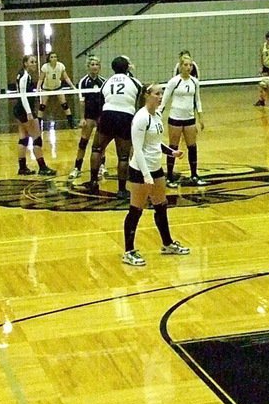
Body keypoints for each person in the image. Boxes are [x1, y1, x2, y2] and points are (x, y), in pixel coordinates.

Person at [120, 82, 190, 266]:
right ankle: (128, 251)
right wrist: (146, 175)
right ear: (147, 95)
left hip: (155, 168)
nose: (160, 97)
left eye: (161, 94)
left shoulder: (157, 115)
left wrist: (171, 152)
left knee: (161, 206)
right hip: (140, 171)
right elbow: (138, 148)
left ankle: (167, 244)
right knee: (136, 210)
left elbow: (155, 143)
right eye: (157, 94)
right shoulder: (141, 118)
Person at [87, 55, 142, 199]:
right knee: (123, 156)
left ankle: (93, 182)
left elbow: (101, 102)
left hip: (107, 115)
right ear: (127, 67)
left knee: (97, 148)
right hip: (125, 116)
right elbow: (139, 105)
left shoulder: (106, 82)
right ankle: (122, 190)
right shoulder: (135, 82)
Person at [161, 55, 206, 187]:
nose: (188, 67)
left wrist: (200, 117)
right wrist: (158, 113)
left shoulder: (194, 82)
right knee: (173, 147)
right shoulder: (174, 81)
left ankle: (194, 175)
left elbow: (197, 100)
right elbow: (165, 99)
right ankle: (169, 176)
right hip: (175, 118)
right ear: (180, 66)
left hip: (189, 118)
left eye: (190, 65)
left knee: (192, 147)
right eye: (185, 65)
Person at [12, 55, 56, 176]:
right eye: (31, 62)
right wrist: (29, 112)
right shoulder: (25, 76)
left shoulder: (21, 74)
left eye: (35, 62)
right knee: (37, 138)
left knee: (23, 138)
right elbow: (23, 95)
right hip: (25, 110)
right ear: (25, 63)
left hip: (19, 109)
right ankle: (42, 167)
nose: (34, 64)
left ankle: (22, 168)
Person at [68, 55, 106, 181]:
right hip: (89, 116)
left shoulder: (103, 82)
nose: (94, 67)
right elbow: (82, 101)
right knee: (83, 142)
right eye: (92, 64)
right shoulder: (83, 82)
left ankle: (102, 166)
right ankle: (77, 168)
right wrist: (82, 118)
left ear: (99, 67)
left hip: (101, 115)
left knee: (101, 143)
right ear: (88, 67)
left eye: (97, 64)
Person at [36, 51, 76, 129]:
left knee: (65, 105)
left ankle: (71, 124)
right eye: (52, 57)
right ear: (49, 59)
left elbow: (66, 77)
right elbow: (41, 79)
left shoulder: (61, 66)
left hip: (58, 88)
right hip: (46, 88)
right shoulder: (45, 67)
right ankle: (38, 125)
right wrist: (37, 89)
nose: (54, 58)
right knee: (42, 106)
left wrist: (73, 86)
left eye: (55, 57)